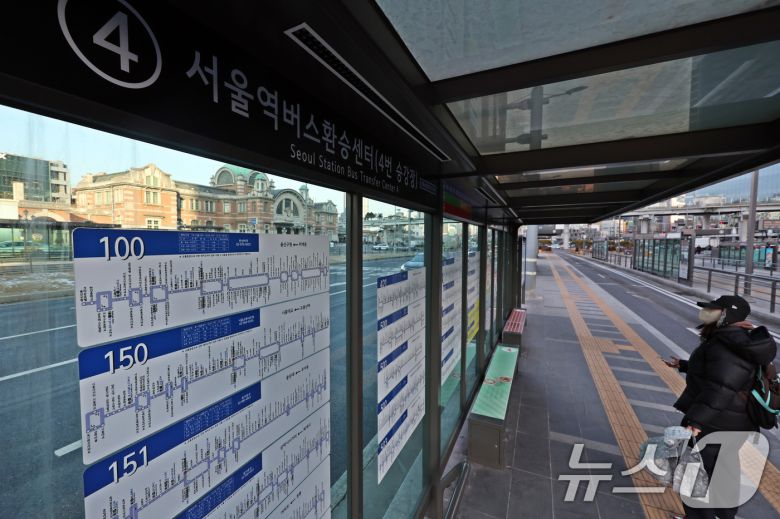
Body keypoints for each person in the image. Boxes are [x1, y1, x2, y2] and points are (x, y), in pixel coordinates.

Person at [663, 295, 776, 519]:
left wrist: (697, 420)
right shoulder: (734, 340)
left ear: (727, 315)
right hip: (734, 421)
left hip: (717, 421)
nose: (706, 313)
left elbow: (721, 388)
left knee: (696, 472)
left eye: (713, 310)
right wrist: (684, 365)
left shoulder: (728, 343)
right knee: (723, 471)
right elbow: (722, 374)